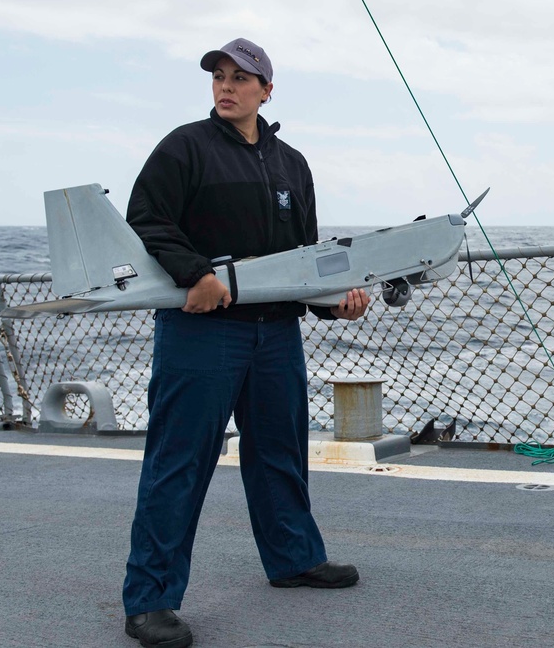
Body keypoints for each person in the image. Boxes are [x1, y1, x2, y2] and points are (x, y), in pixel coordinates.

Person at [122, 37, 370, 648]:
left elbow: (305, 258)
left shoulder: (292, 164)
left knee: (281, 452)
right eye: (218, 78)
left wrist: (336, 304)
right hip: (202, 334)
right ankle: (149, 601)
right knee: (179, 464)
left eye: (240, 78)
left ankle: (293, 559)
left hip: (276, 335)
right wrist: (194, 273)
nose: (226, 87)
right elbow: (147, 219)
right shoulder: (184, 147)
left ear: (266, 89)